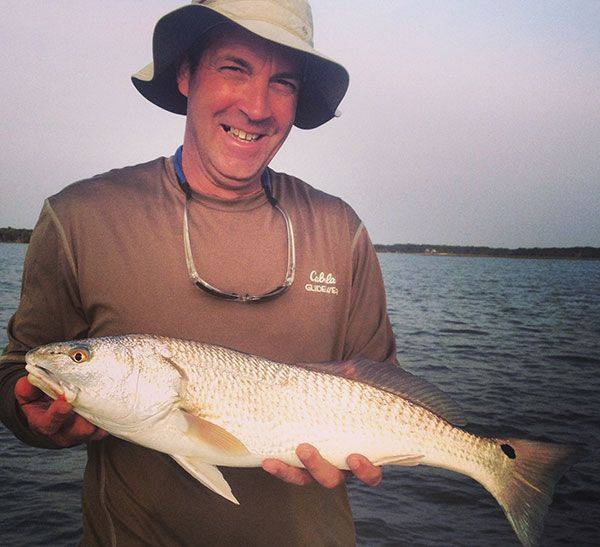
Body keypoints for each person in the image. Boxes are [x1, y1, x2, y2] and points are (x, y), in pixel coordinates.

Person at [0, 1, 396, 544]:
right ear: (185, 74)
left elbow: (382, 383)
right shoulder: (80, 218)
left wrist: (365, 450)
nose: (257, 106)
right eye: (234, 68)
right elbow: (20, 370)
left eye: (282, 81)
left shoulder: (341, 228)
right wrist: (34, 419)